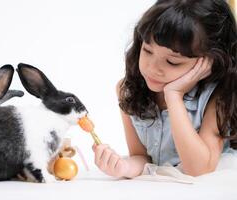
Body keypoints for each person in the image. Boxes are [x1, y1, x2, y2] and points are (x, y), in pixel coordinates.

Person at [92, 0, 237, 178]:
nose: (153, 68)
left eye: (172, 62)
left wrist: (174, 96)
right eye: (147, 51)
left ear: (209, 61)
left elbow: (199, 169)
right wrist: (123, 167)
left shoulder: (218, 96)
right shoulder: (127, 90)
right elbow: (141, 157)